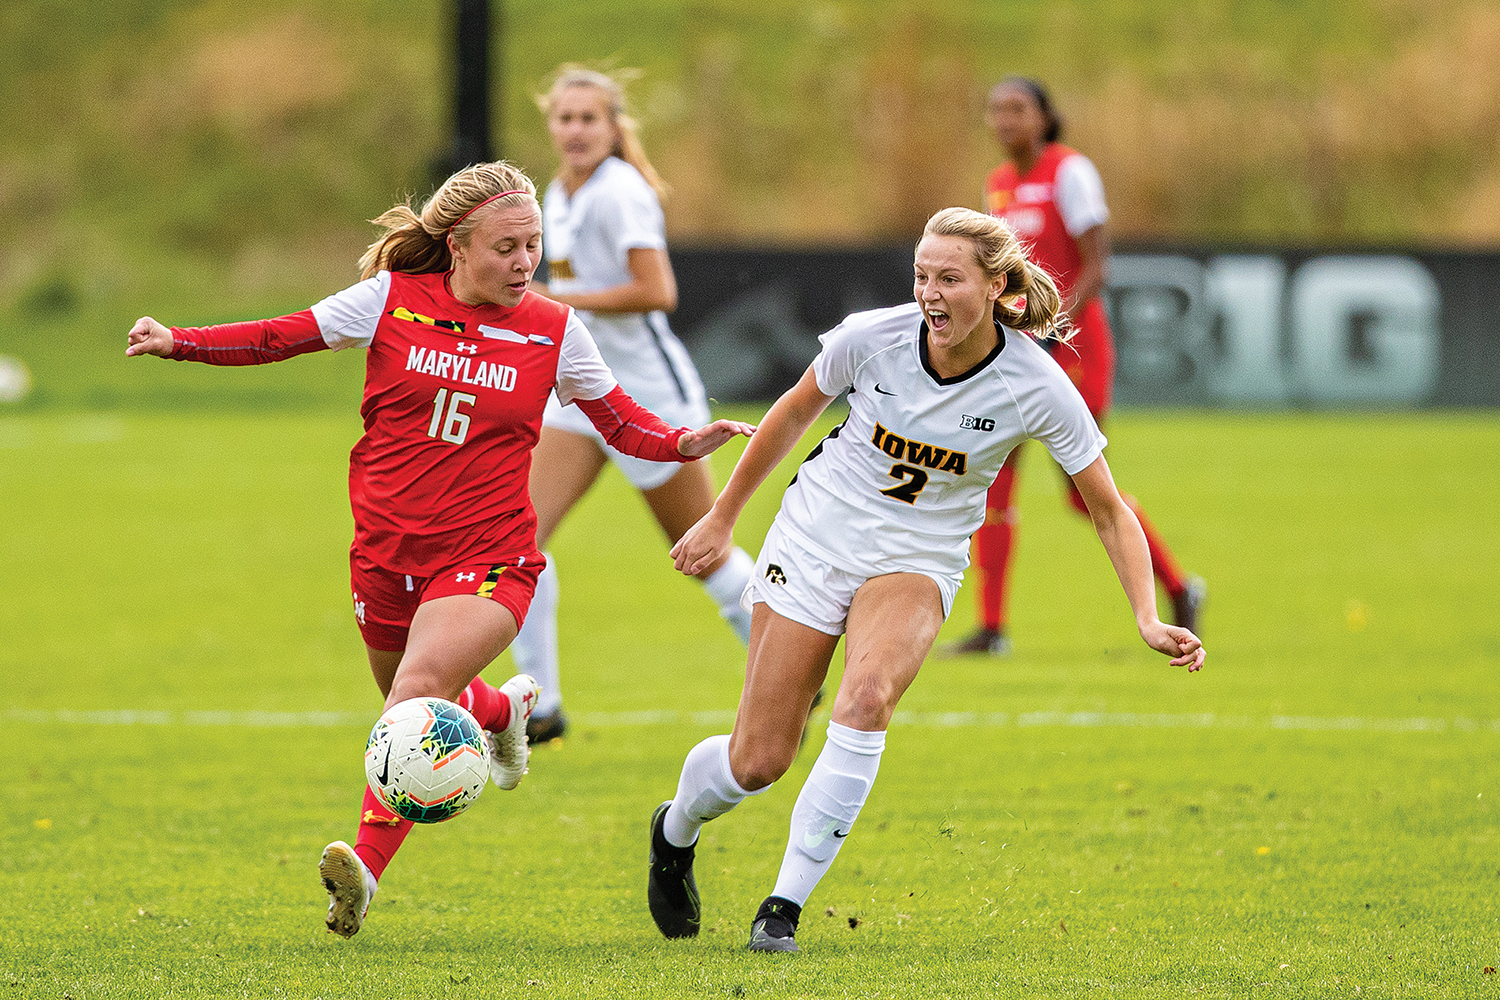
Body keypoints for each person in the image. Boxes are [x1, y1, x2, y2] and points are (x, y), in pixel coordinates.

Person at [125, 161, 754, 939]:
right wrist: (177, 340)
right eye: (506, 247)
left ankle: (363, 868)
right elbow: (276, 337)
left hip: (491, 555)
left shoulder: (556, 330)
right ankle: (501, 707)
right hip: (385, 557)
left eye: (534, 246)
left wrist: (683, 441)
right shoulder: (391, 300)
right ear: (456, 246)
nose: (525, 263)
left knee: (412, 701)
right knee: (424, 694)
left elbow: (619, 419)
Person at [644, 207, 1205, 953]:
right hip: (817, 535)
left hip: (918, 556)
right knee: (759, 760)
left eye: (950, 278)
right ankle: (674, 828)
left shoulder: (1034, 383)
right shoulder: (870, 338)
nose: (931, 294)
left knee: (868, 697)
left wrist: (1143, 613)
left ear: (998, 287)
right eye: (921, 277)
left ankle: (781, 909)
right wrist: (720, 518)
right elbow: (790, 415)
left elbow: (1107, 509)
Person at [510, 65, 758, 743]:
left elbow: (657, 290)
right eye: (565, 118)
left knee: (705, 554)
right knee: (517, 539)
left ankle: (789, 671)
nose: (576, 130)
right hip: (580, 390)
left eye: (590, 118)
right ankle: (543, 706)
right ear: (550, 125)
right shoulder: (558, 192)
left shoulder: (618, 192)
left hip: (648, 394)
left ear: (614, 126)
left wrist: (558, 303)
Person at [944, 77, 1205, 657]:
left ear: (1044, 117)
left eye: (1017, 109)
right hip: (1019, 353)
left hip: (1075, 350)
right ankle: (992, 628)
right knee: (994, 481)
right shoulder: (999, 185)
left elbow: (1096, 265)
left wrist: (1049, 326)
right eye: (996, 110)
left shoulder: (1070, 173)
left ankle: (1181, 587)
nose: (1005, 120)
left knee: (1083, 492)